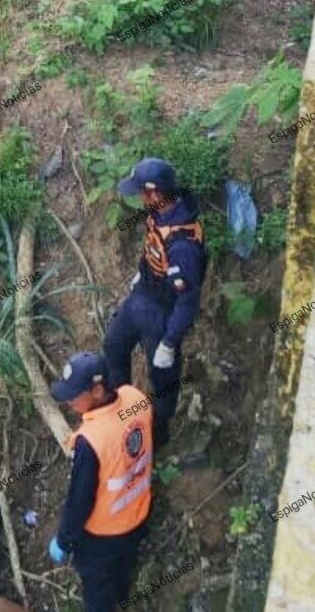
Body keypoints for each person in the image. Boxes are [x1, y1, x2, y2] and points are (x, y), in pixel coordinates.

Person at [103, 158, 206, 447]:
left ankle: (158, 433)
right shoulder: (159, 213)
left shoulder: (183, 245)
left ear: (156, 194)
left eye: (141, 192)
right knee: (114, 344)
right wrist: (141, 273)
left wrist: (170, 342)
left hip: (164, 312)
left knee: (162, 377)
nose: (138, 198)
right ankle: (120, 409)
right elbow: (151, 246)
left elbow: (188, 299)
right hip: (143, 295)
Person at [47, 352, 153, 612]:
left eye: (75, 394)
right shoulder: (135, 397)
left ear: (97, 390)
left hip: (103, 537)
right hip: (139, 516)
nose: (69, 401)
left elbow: (79, 501)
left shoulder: (90, 441)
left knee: (98, 595)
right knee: (122, 573)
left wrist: (64, 540)